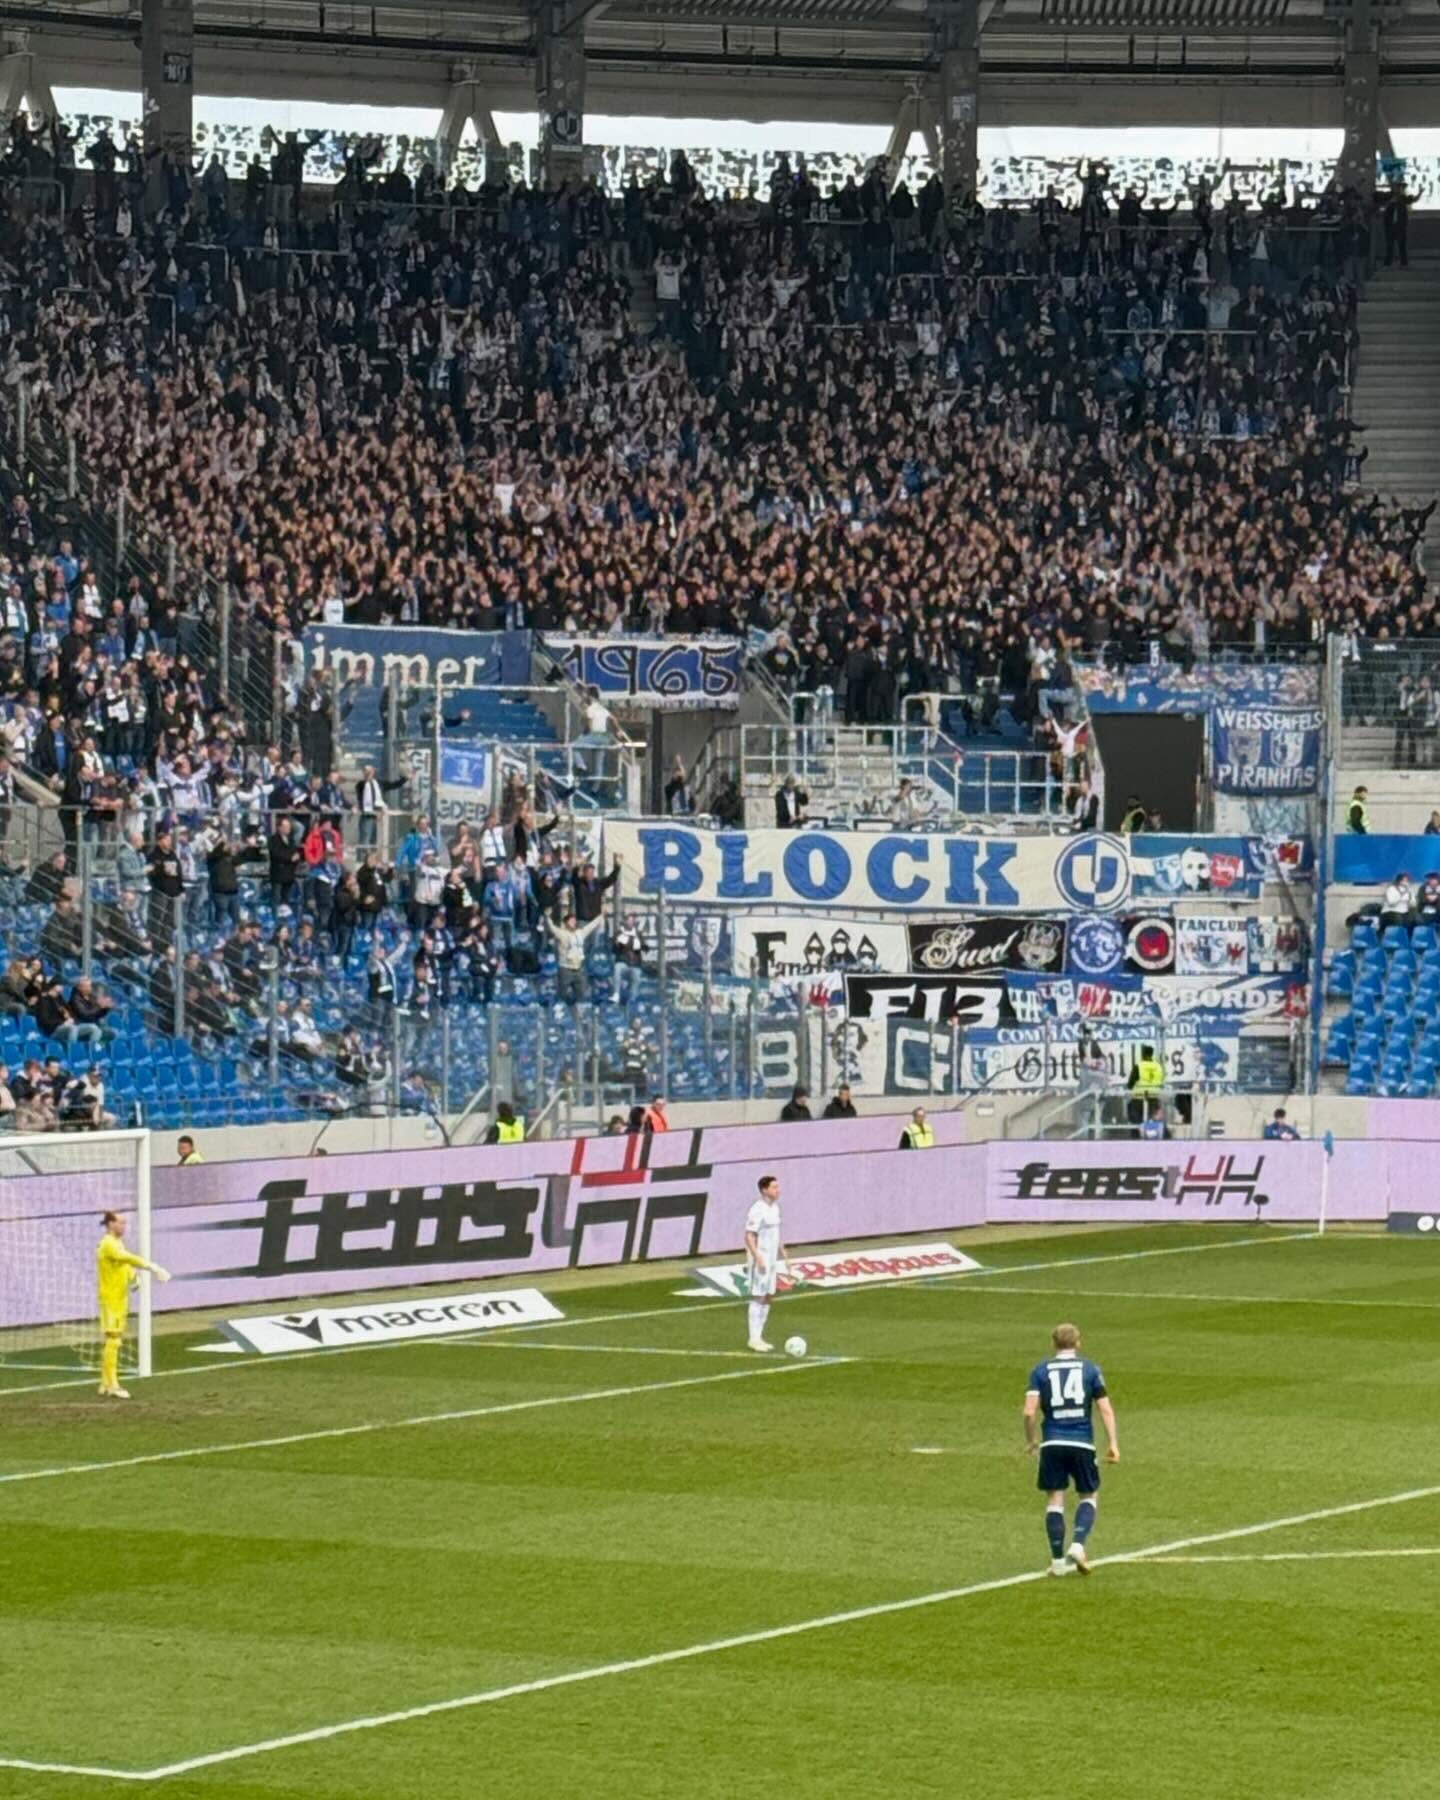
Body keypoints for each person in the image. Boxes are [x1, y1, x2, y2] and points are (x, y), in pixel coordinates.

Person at [1023, 1321, 1120, 1577]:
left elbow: (1029, 1411)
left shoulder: (1040, 1371)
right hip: (1081, 1442)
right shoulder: (1090, 1369)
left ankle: (1057, 1563)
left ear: (1053, 1343)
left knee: (1055, 1499)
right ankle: (1078, 1545)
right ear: (1078, 1342)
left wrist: (1032, 1441)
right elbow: (1105, 1408)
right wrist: (1113, 1443)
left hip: (1052, 1442)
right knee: (1089, 1495)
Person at [96, 1209, 171, 1399]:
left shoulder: (116, 1243)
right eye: (120, 1222)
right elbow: (127, 1258)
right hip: (111, 1300)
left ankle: (105, 1383)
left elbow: (122, 1263)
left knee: (113, 1340)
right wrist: (152, 1267)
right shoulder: (108, 1244)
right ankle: (112, 1385)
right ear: (111, 1224)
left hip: (119, 1298)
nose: (124, 1226)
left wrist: (133, 1276)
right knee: (113, 1340)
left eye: (125, 1223)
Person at [743, 1174, 788, 1354]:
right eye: (774, 1187)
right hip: (760, 1258)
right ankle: (753, 1338)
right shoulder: (757, 1209)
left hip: (772, 1259)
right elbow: (749, 1235)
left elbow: (776, 1234)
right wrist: (757, 1257)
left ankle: (759, 1336)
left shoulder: (775, 1208)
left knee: (769, 1295)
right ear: (764, 1190)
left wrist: (784, 1254)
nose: (778, 1190)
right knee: (759, 1295)